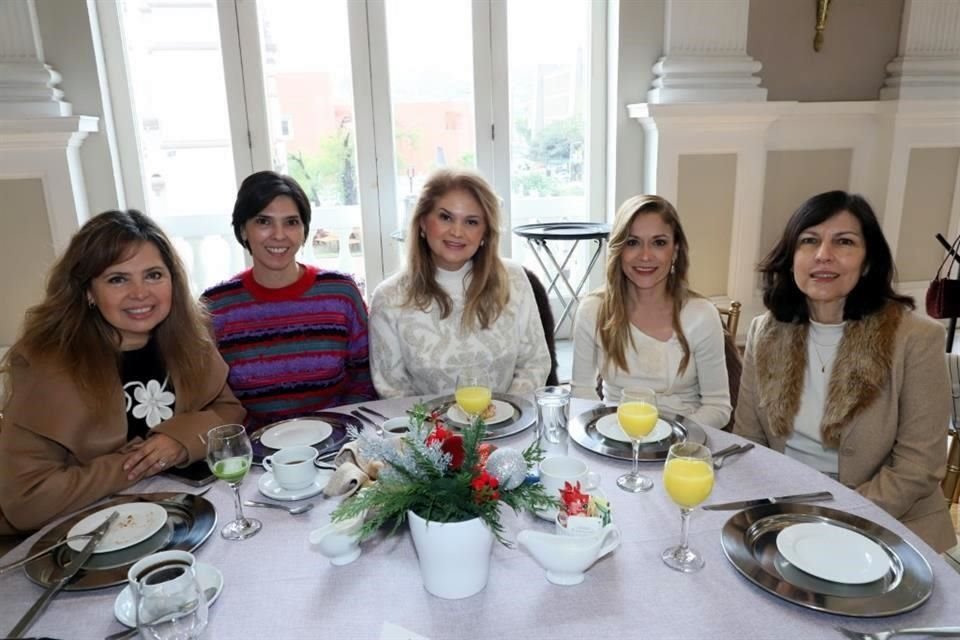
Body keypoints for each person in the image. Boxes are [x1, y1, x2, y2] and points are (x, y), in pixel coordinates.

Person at [735, 191, 955, 552]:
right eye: (809, 241)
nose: (823, 255)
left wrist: (831, 514)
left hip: (888, 524)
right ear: (792, 257)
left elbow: (919, 467)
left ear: (868, 261)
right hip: (782, 516)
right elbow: (750, 441)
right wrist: (776, 512)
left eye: (844, 242)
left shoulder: (916, 339)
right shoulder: (765, 331)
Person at [0, 210, 244, 535]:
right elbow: (27, 500)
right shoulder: (46, 364)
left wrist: (179, 440)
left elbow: (229, 412)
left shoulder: (189, 338)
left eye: (154, 275)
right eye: (118, 279)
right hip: (84, 538)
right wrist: (140, 463)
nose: (140, 293)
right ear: (87, 291)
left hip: (181, 521)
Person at [203, 171, 376, 431]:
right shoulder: (216, 307)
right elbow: (214, 400)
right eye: (264, 221)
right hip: (256, 455)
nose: (279, 235)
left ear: (304, 230)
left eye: (291, 222)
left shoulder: (340, 293)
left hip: (336, 444)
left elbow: (364, 378)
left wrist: (338, 430)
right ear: (243, 229)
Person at [369, 169, 550, 398]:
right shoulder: (389, 297)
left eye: (471, 222)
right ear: (423, 222)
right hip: (427, 431)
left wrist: (503, 415)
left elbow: (535, 363)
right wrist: (440, 431)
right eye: (445, 217)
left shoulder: (514, 279)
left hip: (509, 426)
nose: (457, 231)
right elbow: (392, 388)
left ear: (485, 232)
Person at [570, 195, 732, 429]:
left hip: (682, 443)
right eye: (632, 242)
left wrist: (667, 434)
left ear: (675, 250)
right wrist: (607, 434)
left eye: (659, 243)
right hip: (614, 436)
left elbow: (718, 408)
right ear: (618, 250)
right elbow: (582, 393)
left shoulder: (702, 315)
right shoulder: (593, 310)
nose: (645, 256)